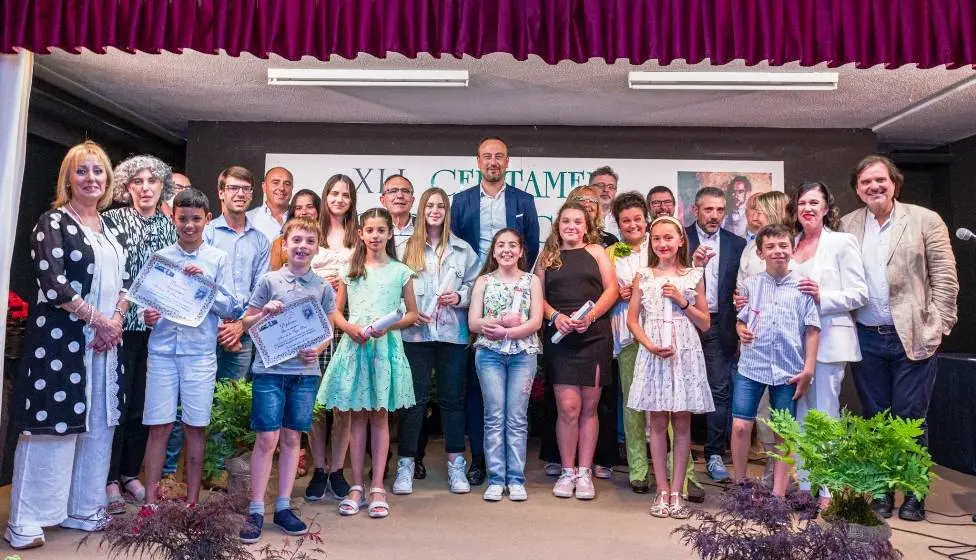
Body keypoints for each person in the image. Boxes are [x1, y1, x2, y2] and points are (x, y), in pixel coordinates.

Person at [5, 141, 128, 550]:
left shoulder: (109, 229)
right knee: (50, 431)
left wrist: (117, 320)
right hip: (62, 346)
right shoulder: (52, 222)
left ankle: (84, 507)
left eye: (98, 171)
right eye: (82, 171)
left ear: (108, 179)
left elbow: (125, 283)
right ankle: (26, 519)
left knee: (96, 428)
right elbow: (54, 284)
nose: (91, 179)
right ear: (68, 179)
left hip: (104, 347)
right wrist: (100, 321)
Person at [840, 155, 958, 521]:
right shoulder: (847, 225)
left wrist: (939, 326)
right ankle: (881, 492)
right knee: (876, 418)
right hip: (867, 338)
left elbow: (945, 277)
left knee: (911, 418)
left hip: (914, 336)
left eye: (880, 180)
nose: (873, 187)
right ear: (857, 189)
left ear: (894, 182)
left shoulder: (924, 219)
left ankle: (915, 493)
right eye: (865, 183)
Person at [140, 188, 242, 509]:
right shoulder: (160, 259)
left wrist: (206, 285)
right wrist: (148, 316)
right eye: (182, 218)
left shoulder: (218, 259)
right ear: (174, 218)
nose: (189, 225)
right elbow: (145, 308)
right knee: (159, 426)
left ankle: (192, 503)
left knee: (195, 427)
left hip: (200, 355)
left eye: (195, 219)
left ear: (207, 220)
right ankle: (150, 502)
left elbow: (232, 308)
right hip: (163, 353)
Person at [239, 218, 337, 544]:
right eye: (297, 239)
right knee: (267, 439)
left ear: (316, 247)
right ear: (285, 242)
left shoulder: (322, 287)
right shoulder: (269, 281)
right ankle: (255, 508)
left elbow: (328, 330)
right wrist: (264, 312)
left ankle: (283, 507)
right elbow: (247, 324)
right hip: (269, 371)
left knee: (293, 439)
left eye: (309, 241)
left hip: (304, 375)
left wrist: (318, 349)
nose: (302, 246)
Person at [316, 208, 419, 518]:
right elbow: (335, 312)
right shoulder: (351, 270)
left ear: (389, 234)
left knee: (380, 417)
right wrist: (350, 328)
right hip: (355, 346)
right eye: (369, 230)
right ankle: (356, 485)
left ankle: (377, 486)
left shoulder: (401, 271)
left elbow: (412, 314)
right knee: (357, 417)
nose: (375, 235)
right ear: (360, 234)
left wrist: (388, 325)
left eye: (381, 230)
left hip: (384, 349)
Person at [451, 136, 540, 485]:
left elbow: (530, 248)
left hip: (514, 295)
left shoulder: (524, 201)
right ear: (477, 161)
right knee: (477, 387)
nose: (493, 162)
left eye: (499, 157)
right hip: (471, 297)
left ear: (507, 162)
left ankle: (511, 472)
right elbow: (454, 248)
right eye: (487, 156)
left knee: (511, 399)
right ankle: (480, 461)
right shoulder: (461, 201)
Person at [102, 155, 178, 514]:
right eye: (138, 182)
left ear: (163, 187)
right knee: (114, 407)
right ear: (127, 187)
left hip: (155, 332)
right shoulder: (110, 222)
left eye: (153, 181)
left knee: (141, 408)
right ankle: (108, 480)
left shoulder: (170, 227)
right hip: (117, 330)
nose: (146, 188)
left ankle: (131, 474)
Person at [393, 188, 479, 496]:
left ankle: (456, 464)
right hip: (414, 335)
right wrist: (407, 313)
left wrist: (460, 296)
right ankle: (406, 463)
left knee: (451, 400)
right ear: (422, 208)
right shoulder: (405, 248)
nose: (435, 210)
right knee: (413, 401)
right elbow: (392, 288)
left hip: (451, 335)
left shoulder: (462, 250)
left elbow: (475, 285)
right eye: (430, 205)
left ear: (447, 211)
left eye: (441, 205)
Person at [627, 216, 713, 519]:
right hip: (654, 352)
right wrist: (649, 345)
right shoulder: (644, 275)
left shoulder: (693, 275)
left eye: (668, 238)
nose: (662, 244)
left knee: (682, 423)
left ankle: (678, 491)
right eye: (657, 239)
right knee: (657, 423)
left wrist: (682, 301)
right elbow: (633, 320)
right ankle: (661, 490)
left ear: (680, 241)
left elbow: (705, 322)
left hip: (684, 352)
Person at [788, 181, 868, 508]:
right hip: (793, 344)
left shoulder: (841, 243)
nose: (807, 208)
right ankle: (806, 483)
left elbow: (859, 293)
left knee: (826, 414)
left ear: (825, 208)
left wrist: (823, 296)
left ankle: (829, 490)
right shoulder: (790, 243)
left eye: (814, 203)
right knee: (801, 416)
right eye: (802, 203)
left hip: (829, 340)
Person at [536, 202, 618, 500]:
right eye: (566, 221)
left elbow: (612, 290)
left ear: (587, 226)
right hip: (560, 337)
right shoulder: (548, 257)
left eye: (577, 222)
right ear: (558, 225)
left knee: (589, 407)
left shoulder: (597, 252)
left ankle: (585, 471)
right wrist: (556, 316)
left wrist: (591, 316)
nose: (571, 226)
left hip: (593, 336)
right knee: (567, 408)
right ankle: (567, 470)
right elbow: (537, 296)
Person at [732, 223, 820, 497]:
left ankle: (778, 494)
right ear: (760, 253)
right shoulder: (750, 285)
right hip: (752, 366)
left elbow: (812, 329)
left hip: (788, 370)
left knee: (785, 432)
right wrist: (740, 330)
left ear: (792, 250)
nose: (777, 251)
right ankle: (740, 484)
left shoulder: (803, 287)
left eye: (783, 246)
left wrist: (808, 369)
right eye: (770, 247)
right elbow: (742, 319)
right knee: (740, 425)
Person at [468, 228, 544, 501]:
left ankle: (516, 479)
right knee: (494, 416)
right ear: (494, 251)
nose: (506, 250)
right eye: (501, 245)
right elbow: (473, 323)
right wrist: (498, 324)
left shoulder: (531, 281)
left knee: (516, 417)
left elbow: (535, 321)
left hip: (523, 354)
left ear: (521, 251)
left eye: (513, 245)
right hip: (489, 354)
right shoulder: (484, 282)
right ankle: (496, 479)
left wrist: (510, 333)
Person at [304, 174, 358, 502]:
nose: (339, 199)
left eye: (346, 195)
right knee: (315, 401)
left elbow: (359, 276)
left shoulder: (357, 235)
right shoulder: (313, 229)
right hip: (312, 321)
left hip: (347, 322)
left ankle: (338, 469)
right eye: (334, 194)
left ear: (352, 200)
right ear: (325, 196)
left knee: (342, 402)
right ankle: (319, 468)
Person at [687, 186, 745, 482]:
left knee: (719, 390)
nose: (714, 215)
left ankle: (713, 454)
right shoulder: (679, 238)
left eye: (720, 210)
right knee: (679, 389)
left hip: (720, 324)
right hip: (683, 320)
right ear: (695, 210)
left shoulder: (738, 244)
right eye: (708, 209)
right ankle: (679, 457)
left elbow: (743, 286)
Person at [733, 189, 790, 486]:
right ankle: (769, 464)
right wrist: (739, 317)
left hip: (786, 350)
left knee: (781, 415)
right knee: (755, 414)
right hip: (754, 348)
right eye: (750, 210)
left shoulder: (788, 249)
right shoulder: (748, 251)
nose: (751, 215)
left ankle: (782, 473)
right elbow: (741, 298)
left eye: (759, 210)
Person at [271, 189, 321, 270]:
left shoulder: (329, 237)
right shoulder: (280, 242)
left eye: (310, 207)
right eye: (298, 208)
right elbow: (274, 276)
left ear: (319, 210)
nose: (304, 212)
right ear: (293, 212)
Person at [247, 166, 294, 242]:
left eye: (287, 184)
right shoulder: (247, 219)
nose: (282, 188)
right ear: (264, 186)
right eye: (275, 183)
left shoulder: (300, 217)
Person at [379, 174, 416, 254]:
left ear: (412, 200)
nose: (400, 196)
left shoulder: (424, 228)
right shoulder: (374, 230)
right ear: (382, 200)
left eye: (405, 191)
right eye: (393, 191)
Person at [590, 166, 620, 239]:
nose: (606, 190)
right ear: (590, 188)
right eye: (600, 185)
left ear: (615, 191)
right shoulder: (580, 216)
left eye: (611, 186)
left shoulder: (622, 217)